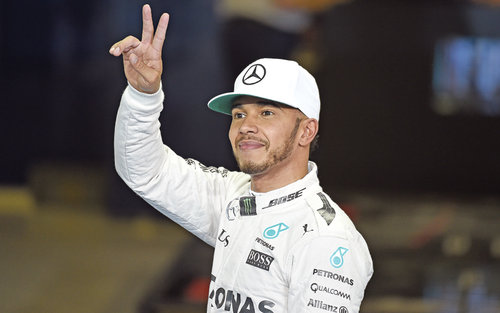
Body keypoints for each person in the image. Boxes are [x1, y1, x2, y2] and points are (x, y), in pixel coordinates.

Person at [109, 4, 373, 313]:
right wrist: (143, 96)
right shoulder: (233, 196)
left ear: (306, 131)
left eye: (266, 113)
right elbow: (145, 172)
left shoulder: (327, 240)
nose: (246, 126)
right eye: (239, 114)